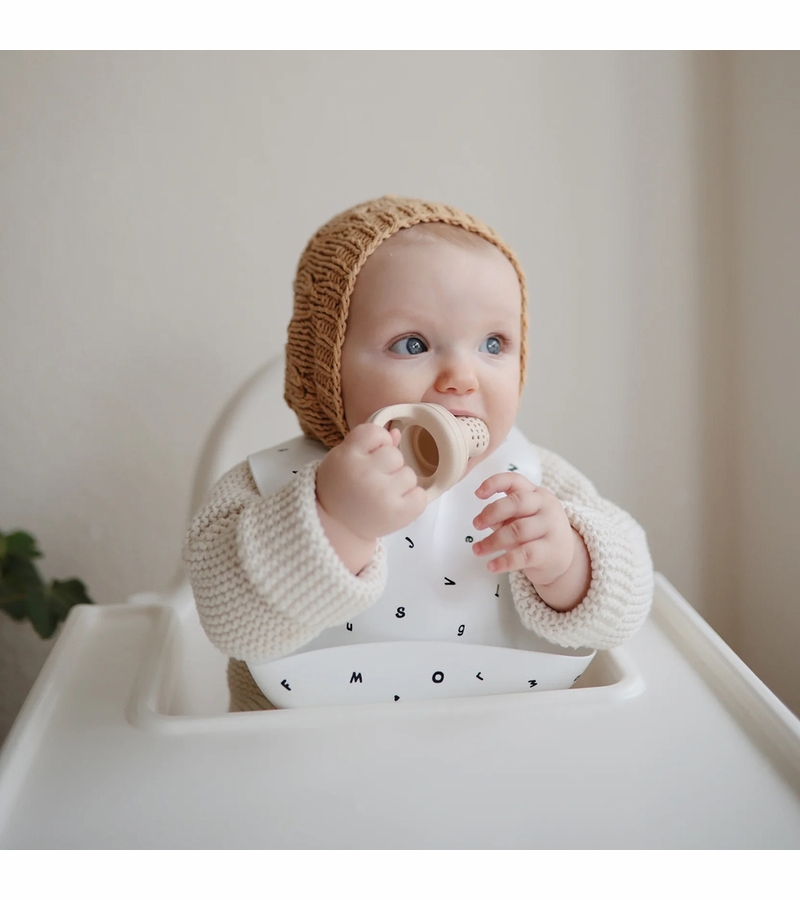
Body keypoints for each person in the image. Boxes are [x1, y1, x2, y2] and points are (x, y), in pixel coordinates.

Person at [183, 196, 654, 711]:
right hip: (300, 757)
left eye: (493, 344)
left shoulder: (535, 482)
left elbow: (632, 600)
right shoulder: (271, 484)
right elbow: (228, 620)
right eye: (412, 344)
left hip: (499, 743)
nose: (462, 377)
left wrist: (569, 563)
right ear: (328, 367)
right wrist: (334, 521)